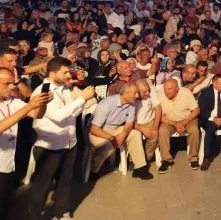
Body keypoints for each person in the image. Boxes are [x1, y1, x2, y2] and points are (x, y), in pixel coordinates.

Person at [28, 57, 96, 220]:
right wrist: (82, 99)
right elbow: (58, 116)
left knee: (65, 181)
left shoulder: (65, 89)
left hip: (69, 142)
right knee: (42, 186)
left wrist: (80, 103)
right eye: (65, 72)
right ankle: (35, 216)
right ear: (52, 73)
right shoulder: (42, 91)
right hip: (49, 146)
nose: (69, 75)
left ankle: (62, 212)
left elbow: (71, 113)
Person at [0, 67, 50, 220]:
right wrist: (29, 105)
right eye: (6, 84)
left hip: (7, 164)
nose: (12, 87)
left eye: (12, 83)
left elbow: (36, 114)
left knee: (4, 205)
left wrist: (42, 103)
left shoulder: (12, 101)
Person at [89, 82, 153, 180]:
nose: (137, 96)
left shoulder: (131, 104)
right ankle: (93, 170)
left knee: (135, 133)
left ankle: (139, 168)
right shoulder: (107, 104)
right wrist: (112, 138)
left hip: (116, 128)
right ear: (125, 93)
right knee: (107, 146)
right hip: (99, 130)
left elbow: (129, 124)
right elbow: (94, 129)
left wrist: (123, 135)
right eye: (134, 93)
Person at [157, 78, 201, 173]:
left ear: (177, 89)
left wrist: (184, 123)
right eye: (165, 89)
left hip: (187, 119)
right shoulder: (160, 95)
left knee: (194, 130)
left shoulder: (185, 93)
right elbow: (159, 116)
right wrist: (175, 124)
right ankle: (166, 160)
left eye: (169, 89)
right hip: (170, 121)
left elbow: (196, 110)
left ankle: (193, 158)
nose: (166, 92)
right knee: (162, 131)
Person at [133, 79, 160, 168]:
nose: (148, 93)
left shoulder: (151, 92)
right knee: (134, 136)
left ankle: (147, 158)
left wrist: (155, 127)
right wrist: (141, 129)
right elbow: (126, 120)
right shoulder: (131, 98)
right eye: (144, 92)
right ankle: (133, 160)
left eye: (148, 90)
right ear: (137, 92)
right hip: (134, 123)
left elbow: (158, 109)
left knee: (154, 134)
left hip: (149, 120)